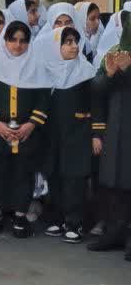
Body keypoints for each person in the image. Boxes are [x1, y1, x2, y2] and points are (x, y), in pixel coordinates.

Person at [0, 21, 50, 238]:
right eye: (13, 40)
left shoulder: (37, 66)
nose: (18, 45)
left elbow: (43, 99)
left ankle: (20, 215)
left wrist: (31, 124)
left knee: (23, 173)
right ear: (5, 40)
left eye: (23, 40)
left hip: (27, 132)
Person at [40, 26, 97, 242]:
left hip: (77, 133)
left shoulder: (86, 71)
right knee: (54, 174)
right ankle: (57, 218)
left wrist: (94, 132)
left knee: (75, 178)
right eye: (67, 42)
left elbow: (94, 106)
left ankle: (75, 222)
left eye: (75, 42)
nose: (74, 47)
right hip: (53, 134)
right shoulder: (46, 71)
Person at [89, 11, 131, 256]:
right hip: (116, 127)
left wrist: (128, 70)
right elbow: (97, 90)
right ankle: (114, 233)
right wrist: (111, 74)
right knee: (115, 183)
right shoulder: (114, 51)